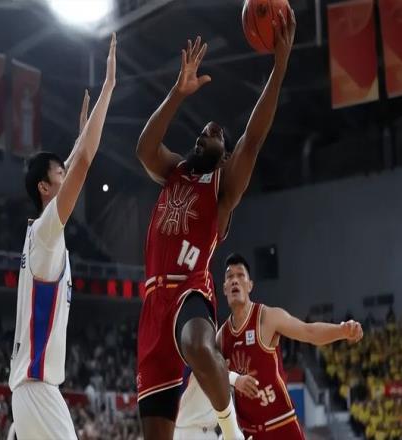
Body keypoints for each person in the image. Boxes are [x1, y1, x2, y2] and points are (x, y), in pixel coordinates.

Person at [135, 6, 296, 440]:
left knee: (198, 345)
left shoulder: (221, 189)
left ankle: (231, 431)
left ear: (224, 156)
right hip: (152, 304)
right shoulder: (173, 170)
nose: (209, 130)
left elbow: (253, 138)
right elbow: (144, 149)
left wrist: (279, 68)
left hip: (189, 289)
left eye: (218, 133)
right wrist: (177, 93)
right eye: (205, 130)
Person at [8, 33, 117, 440]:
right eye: (59, 174)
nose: (66, 175)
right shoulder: (47, 232)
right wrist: (109, 86)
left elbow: (74, 158)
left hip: (30, 392)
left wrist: (81, 133)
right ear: (44, 187)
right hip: (37, 390)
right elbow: (83, 161)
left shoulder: (40, 233)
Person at [218, 253, 364, 439]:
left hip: (282, 423)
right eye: (230, 276)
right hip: (249, 432)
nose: (235, 280)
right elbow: (209, 374)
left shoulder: (267, 317)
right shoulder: (221, 337)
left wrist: (341, 331)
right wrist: (234, 380)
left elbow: (309, 332)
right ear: (224, 288)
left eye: (240, 275)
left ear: (250, 285)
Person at [174, 368, 259, 440]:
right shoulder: (197, 363)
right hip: (189, 432)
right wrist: (236, 379)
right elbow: (208, 369)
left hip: (208, 433)